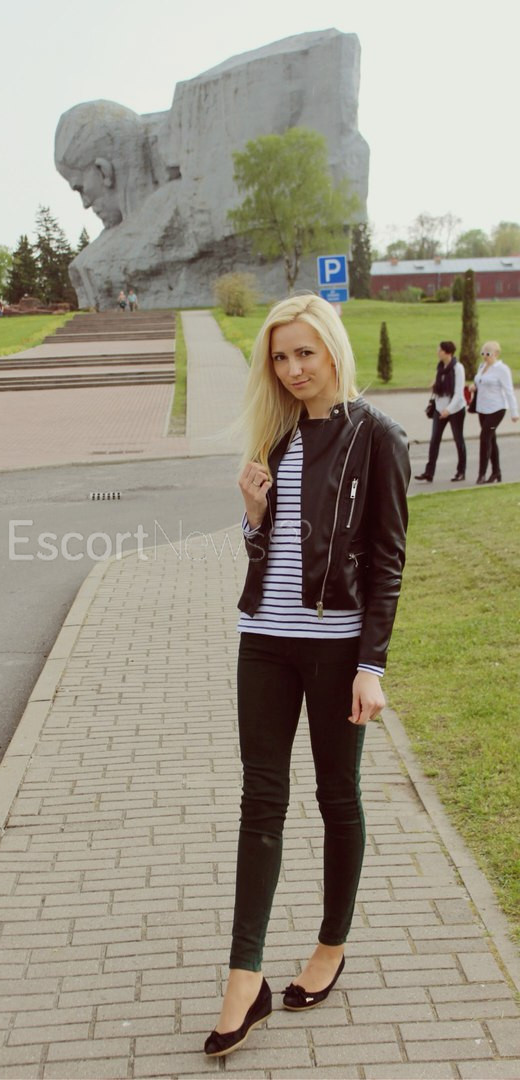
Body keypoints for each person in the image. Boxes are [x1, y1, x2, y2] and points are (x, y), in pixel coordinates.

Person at [203, 294, 410, 1059]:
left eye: (304, 353)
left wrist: (371, 665)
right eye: (280, 356)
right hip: (264, 640)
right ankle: (244, 978)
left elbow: (386, 560)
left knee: (335, 796)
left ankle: (331, 945)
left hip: (335, 649)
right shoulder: (278, 434)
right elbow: (270, 555)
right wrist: (253, 518)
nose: (292, 369)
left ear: (332, 351)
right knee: (261, 801)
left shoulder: (378, 437)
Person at [415, 340, 467, 482]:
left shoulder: (458, 368)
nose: (437, 352)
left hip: (455, 410)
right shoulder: (440, 367)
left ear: (447, 352)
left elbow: (459, 393)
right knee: (434, 441)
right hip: (439, 410)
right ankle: (429, 473)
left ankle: (461, 472)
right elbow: (440, 388)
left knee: (459, 440)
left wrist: (448, 410)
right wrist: (435, 386)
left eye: (440, 350)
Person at [472, 341, 519, 483]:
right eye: (483, 353)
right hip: (482, 409)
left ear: (496, 354)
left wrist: (514, 412)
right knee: (491, 439)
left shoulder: (502, 369)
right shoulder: (482, 367)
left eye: (488, 353)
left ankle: (481, 474)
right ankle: (496, 472)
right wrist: (473, 386)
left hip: (496, 409)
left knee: (484, 438)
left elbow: (509, 391)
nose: (485, 356)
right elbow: (479, 382)